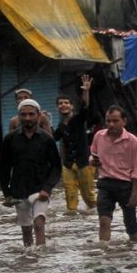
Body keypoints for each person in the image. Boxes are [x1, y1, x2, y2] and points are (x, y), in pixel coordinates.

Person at [0, 99, 62, 247]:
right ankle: (29, 264)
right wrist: (6, 192)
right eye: (24, 114)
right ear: (19, 116)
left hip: (40, 190)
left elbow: (56, 167)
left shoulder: (47, 139)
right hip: (18, 191)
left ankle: (41, 259)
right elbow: (4, 167)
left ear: (38, 115)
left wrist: (47, 188)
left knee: (39, 224)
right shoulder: (10, 139)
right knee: (26, 231)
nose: (27, 118)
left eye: (31, 114)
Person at [89, 106, 137, 243]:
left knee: (130, 224)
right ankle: (104, 252)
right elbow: (92, 155)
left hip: (126, 185)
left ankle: (136, 247)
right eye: (108, 121)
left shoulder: (133, 141)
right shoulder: (99, 136)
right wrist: (92, 161)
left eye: (115, 121)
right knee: (104, 220)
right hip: (105, 184)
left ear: (124, 121)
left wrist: (134, 194)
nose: (111, 124)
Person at [53, 74, 98, 212]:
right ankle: (72, 221)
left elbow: (85, 107)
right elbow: (54, 138)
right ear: (57, 108)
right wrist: (46, 124)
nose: (63, 105)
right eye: (60, 103)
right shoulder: (61, 126)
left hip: (84, 163)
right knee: (70, 198)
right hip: (68, 165)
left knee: (89, 198)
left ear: (72, 107)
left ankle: (98, 213)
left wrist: (86, 91)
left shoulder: (78, 120)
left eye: (66, 102)